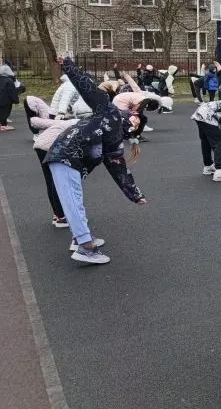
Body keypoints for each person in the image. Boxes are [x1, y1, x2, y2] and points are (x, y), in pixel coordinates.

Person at [44, 57, 147, 265]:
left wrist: (135, 195)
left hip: (72, 159)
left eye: (138, 124)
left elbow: (119, 171)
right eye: (136, 118)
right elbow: (89, 89)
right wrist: (69, 66)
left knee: (75, 200)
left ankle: (80, 238)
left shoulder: (115, 143)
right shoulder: (109, 111)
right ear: (129, 112)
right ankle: (85, 246)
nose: (136, 122)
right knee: (73, 201)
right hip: (65, 153)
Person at [24, 96, 73, 227]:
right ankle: (62, 217)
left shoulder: (62, 120)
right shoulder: (75, 123)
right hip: (48, 146)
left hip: (42, 143)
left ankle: (57, 215)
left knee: (50, 180)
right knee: (57, 181)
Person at [0, 63, 24, 131]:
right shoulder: (9, 81)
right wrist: (15, 100)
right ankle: (4, 125)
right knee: (4, 113)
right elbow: (12, 92)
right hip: (5, 101)